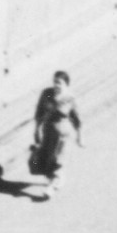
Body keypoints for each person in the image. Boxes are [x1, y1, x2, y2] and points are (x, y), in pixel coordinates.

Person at [29, 71, 84, 199]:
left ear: (66, 85)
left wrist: (80, 136)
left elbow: (77, 119)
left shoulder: (70, 99)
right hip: (47, 132)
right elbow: (39, 112)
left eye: (59, 83)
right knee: (42, 160)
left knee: (56, 160)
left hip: (61, 135)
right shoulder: (47, 93)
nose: (56, 85)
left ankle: (52, 186)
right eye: (54, 82)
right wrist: (36, 130)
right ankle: (57, 179)